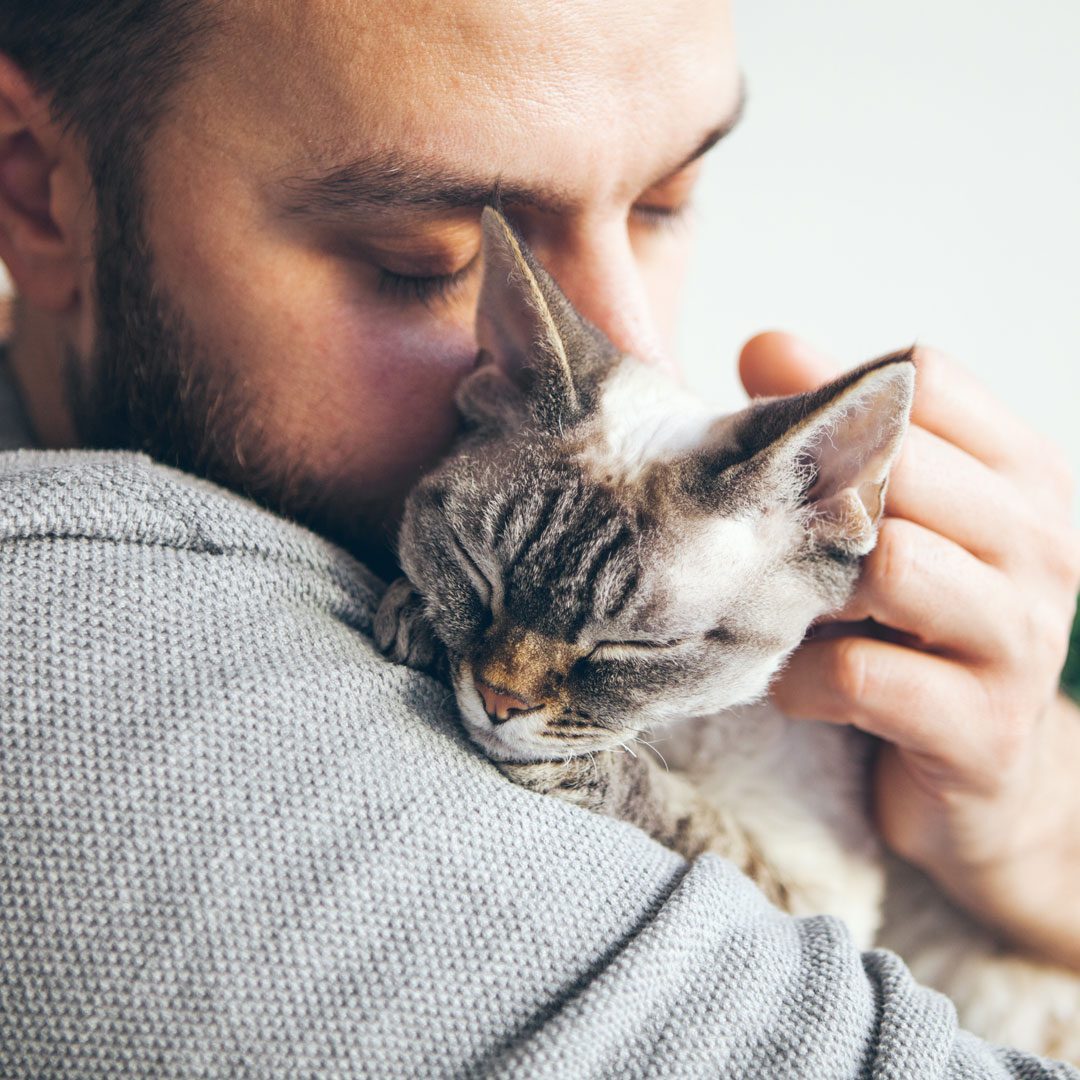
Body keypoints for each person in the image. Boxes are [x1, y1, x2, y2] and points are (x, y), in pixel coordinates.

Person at [1, 1, 1077, 1075]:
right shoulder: (87, 667)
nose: (640, 349)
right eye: (433, 258)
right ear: (37, 192)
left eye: (668, 199)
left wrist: (1023, 813)